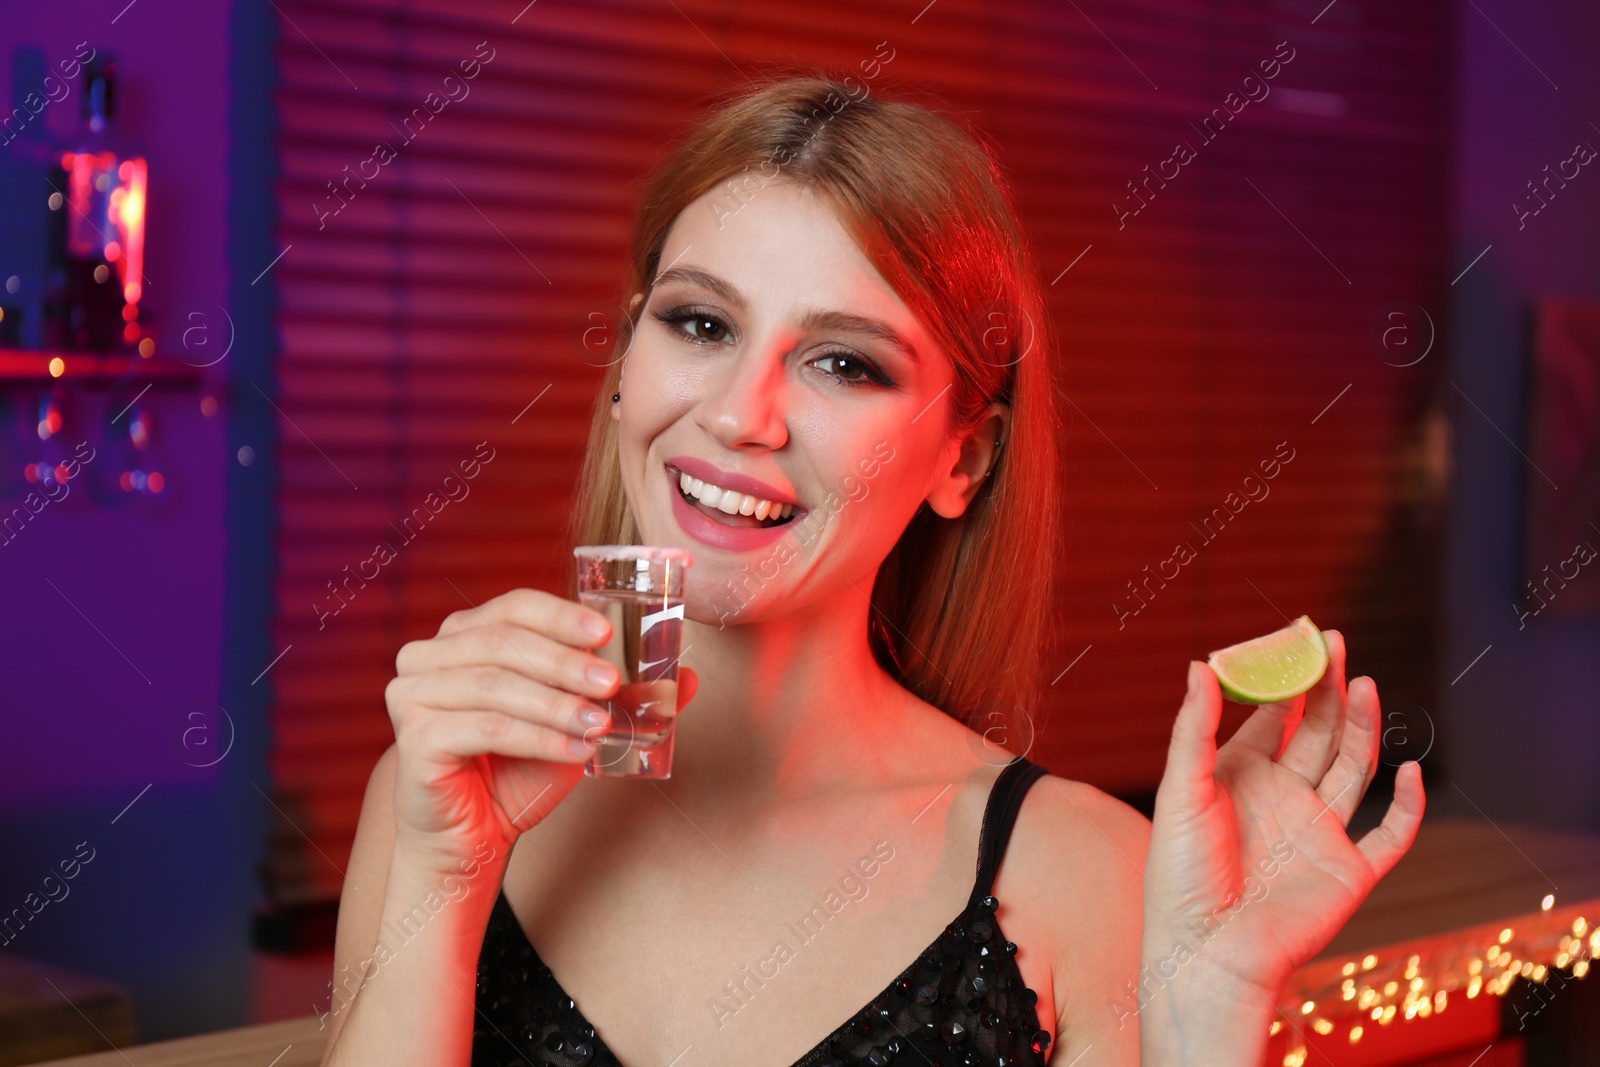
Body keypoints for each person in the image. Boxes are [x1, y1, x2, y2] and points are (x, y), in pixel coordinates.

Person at [318, 70, 1424, 1067]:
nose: (738, 414)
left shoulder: (1089, 875)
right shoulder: (437, 797)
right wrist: (442, 875)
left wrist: (1206, 1023)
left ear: (960, 457)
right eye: (700, 322)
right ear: (622, 369)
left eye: (842, 362)